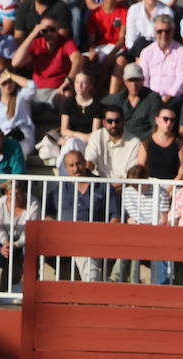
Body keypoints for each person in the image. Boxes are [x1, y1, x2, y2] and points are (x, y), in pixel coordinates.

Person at [54, 148, 115, 279]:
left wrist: (107, 237)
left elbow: (116, 216)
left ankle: (92, 292)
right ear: (65, 168)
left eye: (78, 163)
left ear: (85, 163)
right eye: (71, 165)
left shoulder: (103, 185)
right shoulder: (59, 189)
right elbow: (48, 214)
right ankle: (93, 292)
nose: (76, 169)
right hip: (66, 239)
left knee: (87, 256)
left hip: (95, 238)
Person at [9, 12, 80, 107]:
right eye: (45, 30)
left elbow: (78, 59)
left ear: (58, 29)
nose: (49, 33)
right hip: (36, 91)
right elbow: (15, 62)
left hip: (58, 90)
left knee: (66, 96)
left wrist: (69, 80)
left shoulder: (66, 42)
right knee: (18, 103)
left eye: (52, 29)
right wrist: (33, 34)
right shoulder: (36, 43)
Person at [0, 178, 37, 291]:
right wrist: (5, 242)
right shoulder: (1, 202)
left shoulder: (33, 203)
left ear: (24, 192)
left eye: (18, 193)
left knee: (30, 249)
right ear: (6, 194)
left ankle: (27, 290)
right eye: (11, 194)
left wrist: (16, 244)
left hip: (25, 241)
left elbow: (31, 231)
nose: (15, 197)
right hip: (5, 241)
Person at [135, 13, 183, 104]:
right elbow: (144, 80)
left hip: (174, 99)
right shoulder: (146, 52)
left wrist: (167, 98)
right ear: (154, 32)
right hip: (150, 99)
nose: (163, 34)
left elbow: (182, 79)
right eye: (159, 31)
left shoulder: (181, 51)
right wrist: (151, 99)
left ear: (173, 31)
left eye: (167, 31)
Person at [101, 60, 158, 138]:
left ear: (143, 80)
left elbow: (156, 128)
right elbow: (100, 106)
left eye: (137, 80)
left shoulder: (153, 99)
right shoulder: (118, 98)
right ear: (125, 82)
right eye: (130, 80)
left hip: (143, 142)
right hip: (121, 141)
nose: (133, 84)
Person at [83, 102, 138, 177]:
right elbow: (90, 160)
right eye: (110, 121)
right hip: (99, 185)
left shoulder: (134, 142)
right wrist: (87, 166)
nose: (113, 125)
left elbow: (131, 174)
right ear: (104, 123)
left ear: (123, 122)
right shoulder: (96, 136)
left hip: (124, 186)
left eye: (117, 121)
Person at [0, 69, 36, 153]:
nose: (7, 85)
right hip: (1, 136)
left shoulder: (21, 96)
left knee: (18, 151)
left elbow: (32, 86)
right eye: (4, 82)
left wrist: (10, 75)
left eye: (10, 82)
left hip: (22, 134)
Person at [135, 101, 183, 179]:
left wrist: (170, 187)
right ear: (157, 120)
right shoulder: (146, 143)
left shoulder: (180, 143)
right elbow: (141, 168)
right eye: (165, 119)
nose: (169, 123)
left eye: (172, 120)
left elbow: (182, 168)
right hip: (150, 186)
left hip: (172, 187)